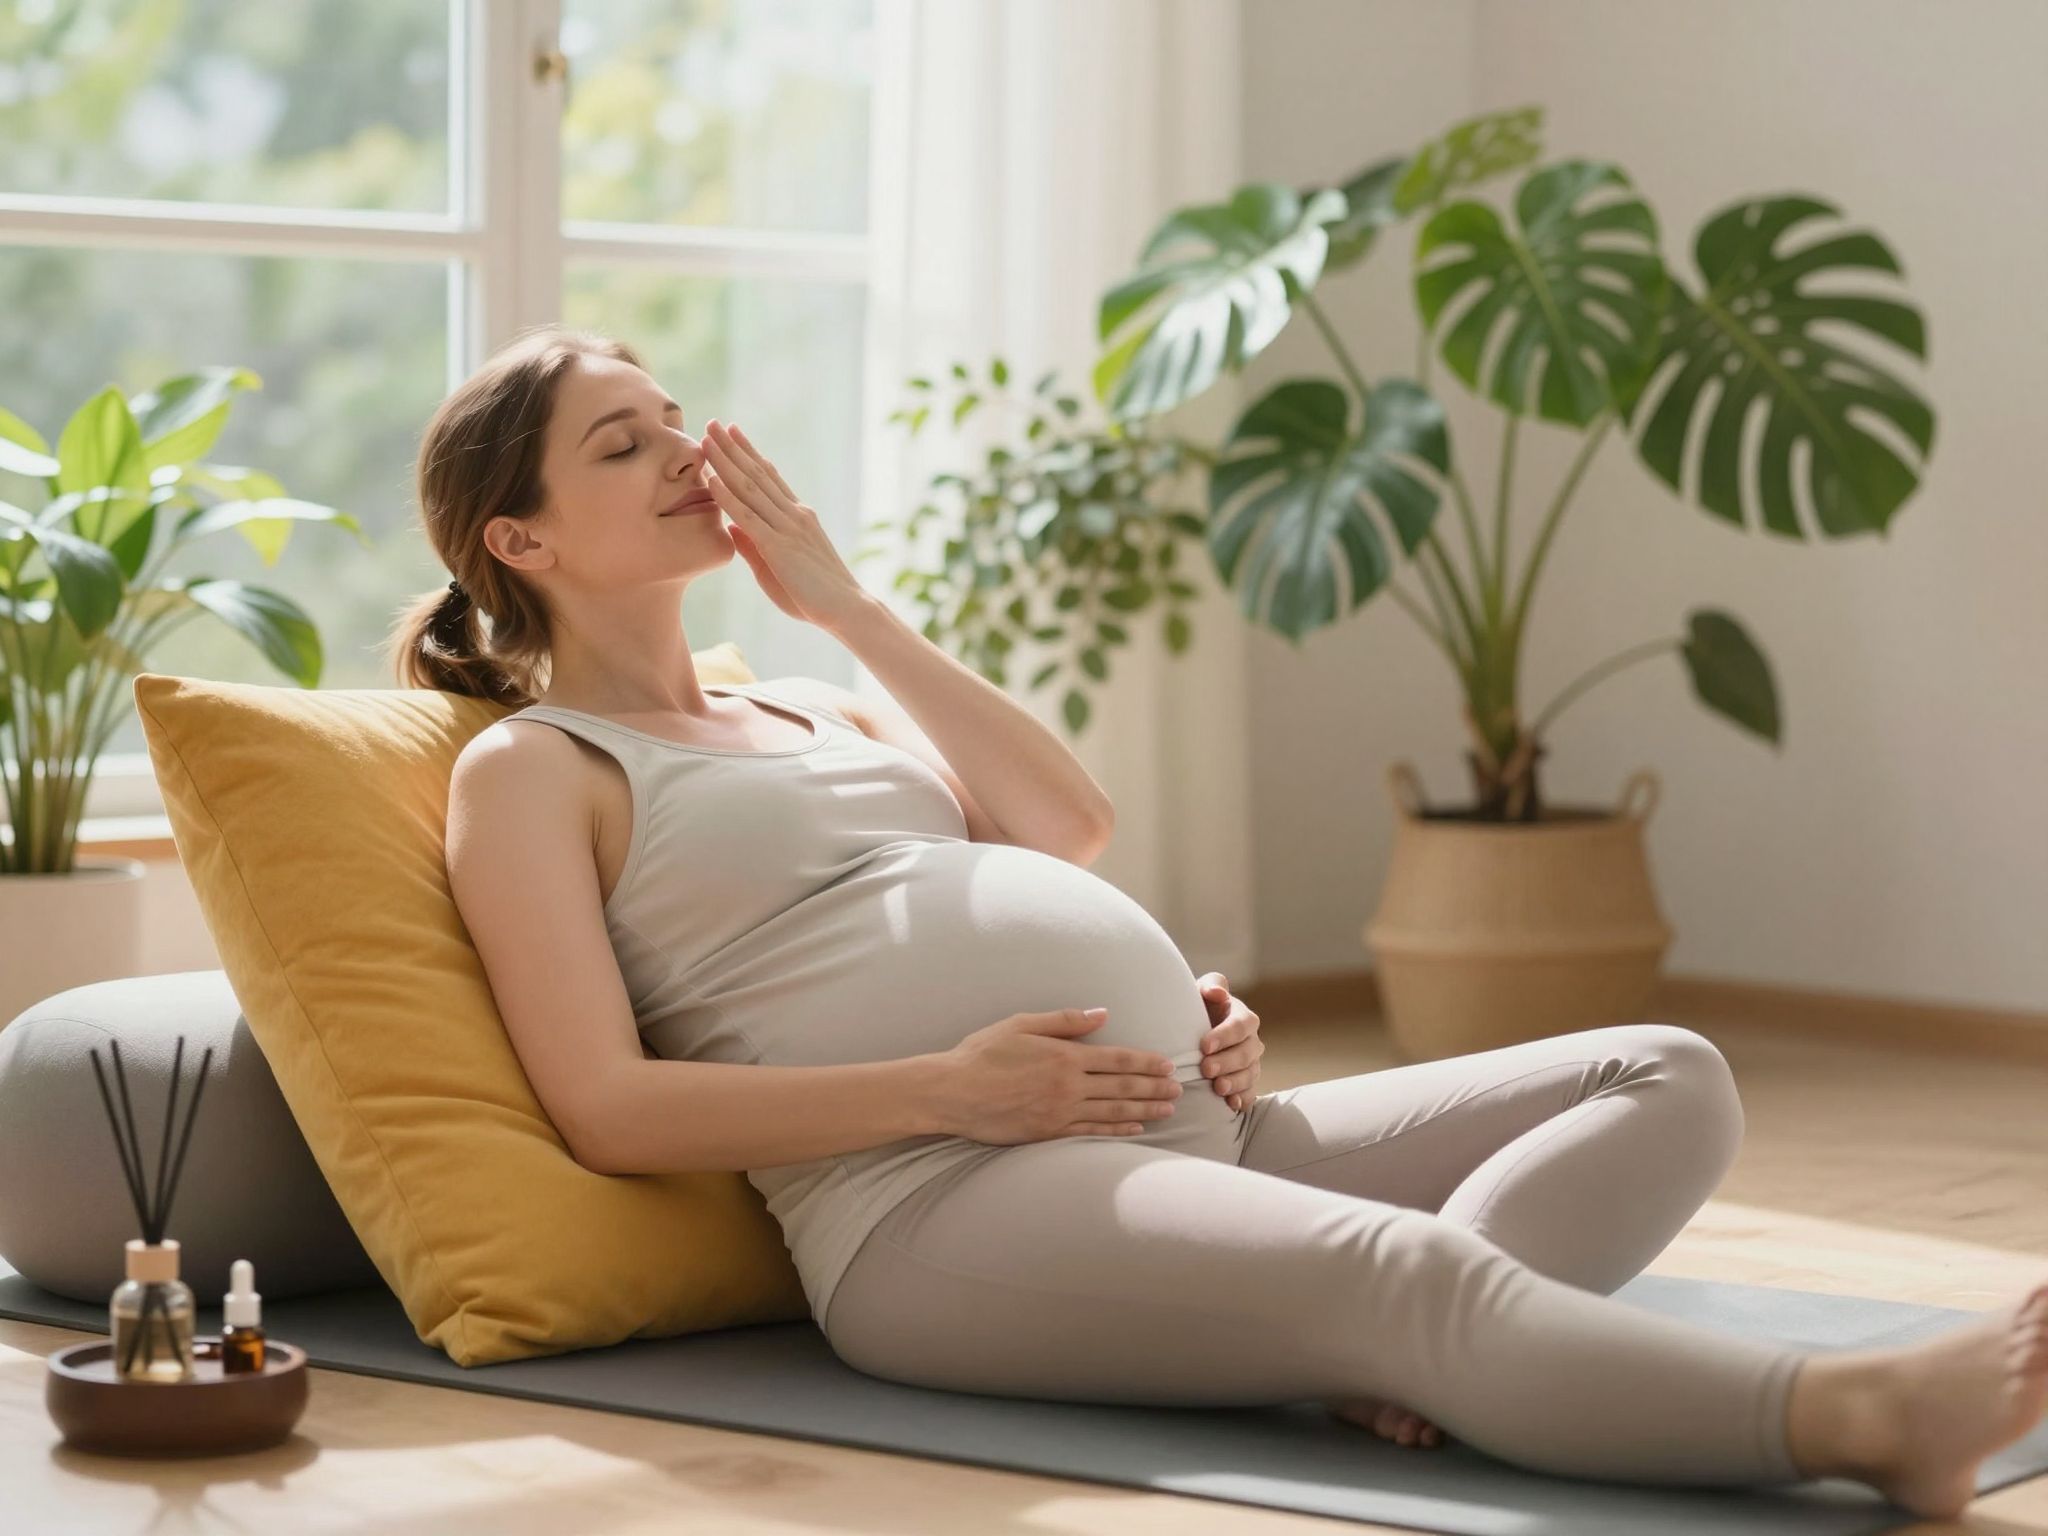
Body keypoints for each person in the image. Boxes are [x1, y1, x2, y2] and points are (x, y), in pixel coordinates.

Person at [392, 324, 2047, 1521]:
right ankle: (1854, 1414)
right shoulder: (540, 772)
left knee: (1669, 1072)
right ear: (518, 539)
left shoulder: (816, 699)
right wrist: (955, 1091)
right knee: (1404, 1272)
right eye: (623, 444)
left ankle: (1410, 1351)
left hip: (1194, 1128)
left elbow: (1062, 826)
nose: (688, 453)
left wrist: (844, 603)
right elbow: (605, 1109)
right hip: (938, 1201)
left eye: (677, 416)